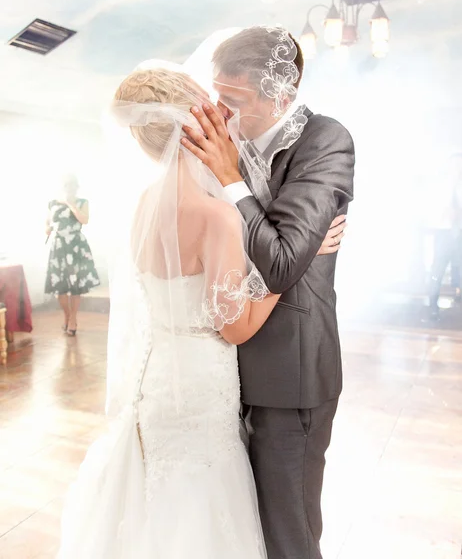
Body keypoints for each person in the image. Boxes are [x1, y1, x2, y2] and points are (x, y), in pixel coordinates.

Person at [57, 58, 345, 557]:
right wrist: (296, 260)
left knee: (157, 501)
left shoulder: (145, 204)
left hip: (157, 376)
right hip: (199, 386)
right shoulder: (215, 215)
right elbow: (234, 327)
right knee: (199, 504)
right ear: (195, 126)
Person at [182, 26, 355, 559]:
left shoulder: (325, 140)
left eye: (233, 101)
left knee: (289, 535)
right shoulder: (224, 142)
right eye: (217, 96)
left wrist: (230, 179)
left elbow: (280, 265)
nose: (221, 113)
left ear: (279, 94)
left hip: (290, 374)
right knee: (244, 530)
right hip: (222, 367)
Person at [45, 174, 100, 335]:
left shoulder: (83, 202)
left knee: (76, 286)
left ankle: (73, 319)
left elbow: (84, 220)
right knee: (59, 287)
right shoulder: (52, 203)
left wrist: (71, 204)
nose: (69, 188)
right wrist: (49, 228)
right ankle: (67, 316)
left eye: (72, 185)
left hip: (76, 246)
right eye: (66, 185)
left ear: (76, 187)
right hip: (59, 246)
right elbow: (46, 224)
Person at [427, 152, 462, 321]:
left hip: (460, 234)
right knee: (437, 271)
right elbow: (431, 214)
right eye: (454, 165)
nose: (457, 169)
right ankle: (433, 307)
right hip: (443, 234)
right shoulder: (439, 188)